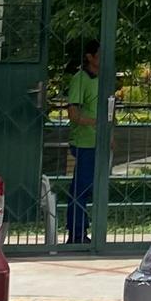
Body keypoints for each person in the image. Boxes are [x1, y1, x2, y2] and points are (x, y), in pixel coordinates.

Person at [63, 38, 101, 245]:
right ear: (90, 57)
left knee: (92, 187)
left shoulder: (101, 79)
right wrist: (95, 123)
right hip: (84, 141)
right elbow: (73, 112)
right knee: (81, 188)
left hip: (99, 141)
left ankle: (82, 231)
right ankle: (76, 233)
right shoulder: (80, 78)